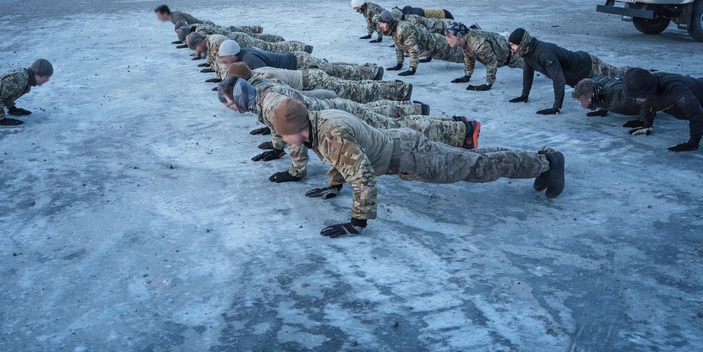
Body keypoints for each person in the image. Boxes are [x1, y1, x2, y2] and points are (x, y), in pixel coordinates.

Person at [269, 99, 566, 237]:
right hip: (405, 147)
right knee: (476, 161)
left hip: (412, 158)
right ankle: (539, 161)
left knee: (477, 167)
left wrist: (357, 223)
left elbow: (363, 177)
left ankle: (546, 163)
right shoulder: (319, 120)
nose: (283, 140)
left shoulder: (330, 135)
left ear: (297, 128)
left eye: (284, 134)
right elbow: (339, 158)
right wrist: (334, 185)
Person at [218, 75, 478, 182]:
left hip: (340, 114)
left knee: (397, 128)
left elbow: (293, 136)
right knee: (390, 121)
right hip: (334, 109)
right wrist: (276, 149)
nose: (230, 108)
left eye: (230, 103)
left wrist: (296, 172)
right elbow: (278, 130)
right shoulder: (261, 95)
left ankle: (462, 130)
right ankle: (431, 113)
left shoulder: (272, 105)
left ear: (239, 99)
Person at [507, 28, 627, 115]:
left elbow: (558, 79)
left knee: (620, 74)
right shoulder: (527, 53)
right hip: (578, 76)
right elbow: (528, 72)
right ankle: (603, 110)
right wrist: (524, 95)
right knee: (597, 88)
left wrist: (556, 108)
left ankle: (642, 74)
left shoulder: (544, 54)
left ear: (522, 43)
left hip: (589, 66)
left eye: (513, 45)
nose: (511, 48)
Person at [227, 62, 412, 104]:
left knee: (356, 91)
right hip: (310, 78)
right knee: (353, 88)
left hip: (312, 82)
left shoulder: (265, 79)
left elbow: (291, 95)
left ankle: (399, 90)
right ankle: (394, 86)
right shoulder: (257, 73)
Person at [218, 39, 382, 81]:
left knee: (334, 70)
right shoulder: (243, 54)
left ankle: (371, 71)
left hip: (299, 62)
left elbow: (263, 75)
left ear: (233, 54)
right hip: (296, 61)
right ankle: (369, 70)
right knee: (332, 68)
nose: (223, 60)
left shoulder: (249, 58)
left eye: (224, 57)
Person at [377, 10, 462, 76]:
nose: (380, 27)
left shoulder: (403, 29)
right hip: (430, 48)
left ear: (389, 23)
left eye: (382, 24)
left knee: (463, 55)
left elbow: (413, 49)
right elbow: (399, 46)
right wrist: (399, 64)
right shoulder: (395, 30)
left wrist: (412, 69)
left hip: (437, 46)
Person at [443, 22, 523, 91]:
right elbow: (469, 56)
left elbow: (491, 62)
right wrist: (467, 75)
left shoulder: (478, 44)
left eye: (449, 36)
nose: (447, 39)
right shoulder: (465, 39)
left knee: (532, 63)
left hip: (513, 56)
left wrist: (488, 83)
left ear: (459, 36)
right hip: (505, 53)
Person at [177, 26, 311, 55]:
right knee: (269, 46)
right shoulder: (202, 37)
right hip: (237, 40)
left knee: (271, 47)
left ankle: (302, 47)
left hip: (241, 40)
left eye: (196, 48)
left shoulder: (205, 34)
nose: (197, 51)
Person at [153, 4, 262, 35]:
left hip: (206, 27)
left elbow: (187, 29)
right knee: (228, 30)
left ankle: (254, 30)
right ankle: (254, 29)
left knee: (229, 31)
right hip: (204, 25)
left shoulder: (176, 18)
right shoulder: (175, 15)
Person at [174, 19, 285, 44]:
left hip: (236, 37)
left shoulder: (200, 32)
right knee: (256, 37)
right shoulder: (195, 29)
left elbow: (206, 44)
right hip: (232, 36)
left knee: (259, 39)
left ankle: (278, 39)